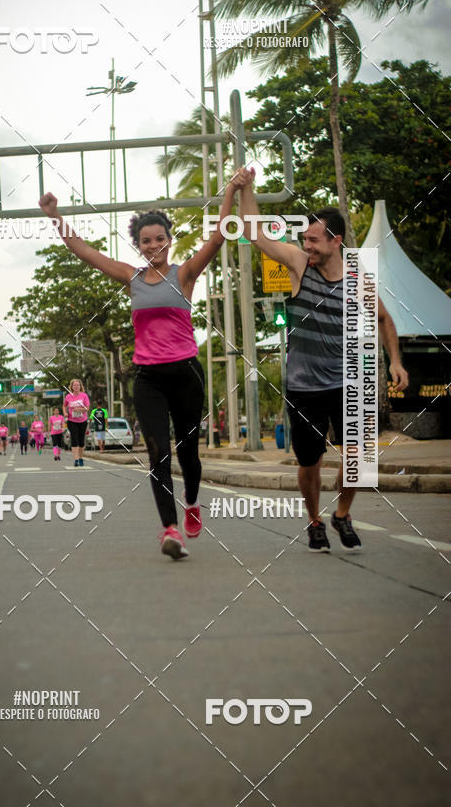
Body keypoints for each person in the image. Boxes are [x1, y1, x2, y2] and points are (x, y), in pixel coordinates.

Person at [39, 172, 245, 559]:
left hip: (186, 373)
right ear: (138, 245)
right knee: (157, 454)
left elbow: (218, 236)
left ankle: (193, 502)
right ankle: (169, 529)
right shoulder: (131, 278)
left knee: (188, 453)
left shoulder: (184, 274)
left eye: (159, 238)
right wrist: (55, 215)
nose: (153, 245)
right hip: (148, 376)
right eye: (146, 241)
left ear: (169, 240)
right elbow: (84, 251)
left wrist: (231, 190)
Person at [239, 168, 409, 552]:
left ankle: (342, 513)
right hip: (303, 387)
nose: (307, 245)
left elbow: (383, 318)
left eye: (313, 239)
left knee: (358, 456)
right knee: (310, 463)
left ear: (336, 241)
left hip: (346, 382)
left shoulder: (357, 278)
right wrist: (247, 189)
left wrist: (395, 361)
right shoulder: (300, 265)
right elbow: (254, 233)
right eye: (305, 239)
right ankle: (315, 520)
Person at [63, 379, 90, 467]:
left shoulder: (84, 396)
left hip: (82, 421)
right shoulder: (68, 396)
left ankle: (81, 457)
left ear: (80, 386)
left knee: (81, 441)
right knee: (74, 439)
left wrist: (80, 409)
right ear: (72, 387)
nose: (76, 387)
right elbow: (64, 406)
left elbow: (87, 408)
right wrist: (65, 413)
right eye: (74, 385)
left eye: (77, 385)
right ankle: (76, 459)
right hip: (71, 420)